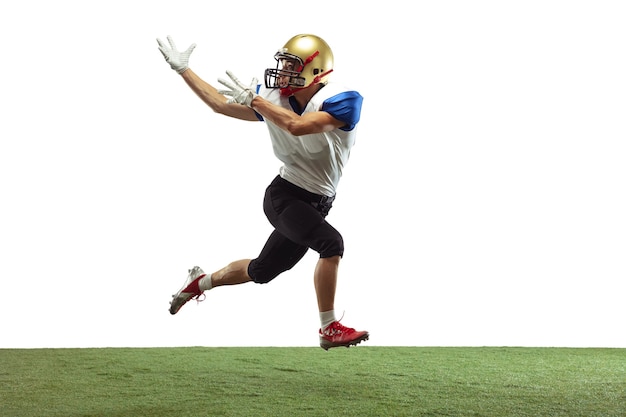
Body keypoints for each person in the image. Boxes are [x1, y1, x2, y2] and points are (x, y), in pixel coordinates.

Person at [157, 34, 368, 350]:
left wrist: (256, 100)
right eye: (282, 63)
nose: (281, 71)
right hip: (284, 196)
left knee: (261, 271)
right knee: (331, 243)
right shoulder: (272, 98)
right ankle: (329, 328)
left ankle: (199, 282)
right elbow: (219, 103)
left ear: (315, 72)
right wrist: (184, 70)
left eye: (291, 65)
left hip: (316, 203)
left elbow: (297, 125)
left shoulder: (343, 101)